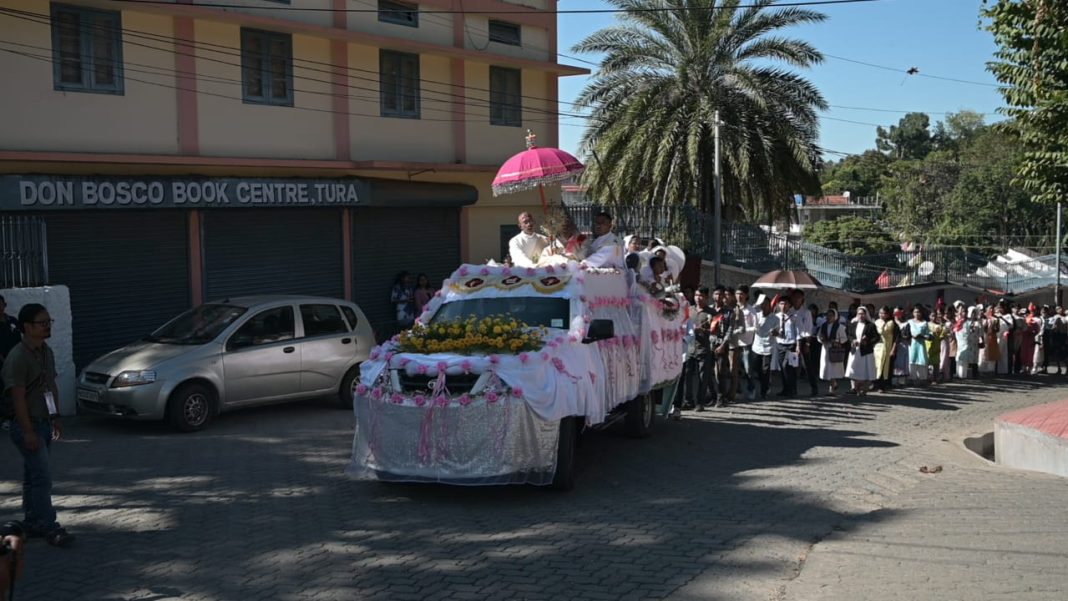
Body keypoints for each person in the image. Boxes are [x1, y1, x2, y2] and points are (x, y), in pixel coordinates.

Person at [3, 303, 74, 547]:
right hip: (26, 425)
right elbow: (18, 397)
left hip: (43, 423)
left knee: (32, 476)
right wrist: (28, 431)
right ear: (26, 327)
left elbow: (50, 387)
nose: (47, 327)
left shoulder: (46, 352)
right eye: (42, 323)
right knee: (42, 478)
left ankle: (32, 521)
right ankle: (49, 525)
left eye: (48, 322)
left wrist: (55, 417)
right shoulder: (17, 357)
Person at [689, 287, 718, 411]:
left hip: (704, 349)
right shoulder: (689, 310)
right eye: (696, 295)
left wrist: (704, 331)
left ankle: (700, 402)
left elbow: (716, 332)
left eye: (701, 296)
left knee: (703, 377)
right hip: (689, 348)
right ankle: (687, 400)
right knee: (687, 375)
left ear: (706, 297)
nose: (698, 298)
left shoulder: (712, 313)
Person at [750, 293, 779, 400]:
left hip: (768, 347)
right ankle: (766, 384)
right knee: (757, 369)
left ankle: (764, 391)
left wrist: (774, 332)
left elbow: (778, 333)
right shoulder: (757, 315)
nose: (764, 306)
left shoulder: (776, 319)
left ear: (770, 305)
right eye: (762, 304)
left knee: (765, 370)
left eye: (766, 304)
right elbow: (751, 312)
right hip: (756, 347)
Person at [846, 306, 879, 395]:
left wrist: (867, 341)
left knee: (865, 370)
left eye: (863, 314)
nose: (861, 315)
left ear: (866, 314)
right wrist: (853, 340)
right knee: (853, 369)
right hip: (855, 350)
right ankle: (854, 388)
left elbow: (876, 337)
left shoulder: (870, 325)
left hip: (866, 351)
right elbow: (849, 335)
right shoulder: (853, 324)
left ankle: (864, 389)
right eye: (859, 313)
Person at [817, 308, 848, 395]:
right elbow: (818, 336)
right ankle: (834, 384)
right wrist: (821, 339)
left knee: (833, 368)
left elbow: (844, 339)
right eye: (828, 315)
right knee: (827, 368)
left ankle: (832, 388)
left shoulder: (840, 327)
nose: (829, 317)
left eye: (831, 315)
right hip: (826, 348)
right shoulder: (823, 326)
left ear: (835, 317)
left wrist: (837, 342)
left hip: (835, 349)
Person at [775, 296, 801, 397]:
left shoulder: (794, 317)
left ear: (789, 305)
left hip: (791, 344)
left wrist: (798, 345)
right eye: (781, 304)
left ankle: (792, 388)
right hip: (780, 343)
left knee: (788, 366)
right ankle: (786, 388)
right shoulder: (776, 317)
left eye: (785, 304)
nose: (783, 306)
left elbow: (798, 332)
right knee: (782, 368)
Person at [873, 306, 898, 391]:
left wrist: (893, 349)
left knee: (885, 366)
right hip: (878, 347)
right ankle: (875, 383)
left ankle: (883, 385)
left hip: (888, 347)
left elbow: (896, 337)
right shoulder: (876, 322)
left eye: (883, 313)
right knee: (877, 365)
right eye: (880, 313)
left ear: (887, 314)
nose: (881, 315)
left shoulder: (892, 323)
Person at [907, 305, 932, 384]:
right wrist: (911, 336)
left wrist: (922, 336)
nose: (917, 314)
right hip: (912, 344)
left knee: (921, 359)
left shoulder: (924, 323)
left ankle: (922, 378)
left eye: (918, 312)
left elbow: (928, 335)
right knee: (912, 360)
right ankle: (912, 378)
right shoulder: (909, 322)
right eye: (915, 312)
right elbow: (906, 333)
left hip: (921, 344)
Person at [955, 306, 982, 379]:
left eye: (965, 312)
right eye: (963, 312)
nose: (964, 313)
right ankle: (958, 374)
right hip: (960, 341)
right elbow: (955, 329)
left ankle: (963, 375)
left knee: (965, 358)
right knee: (959, 357)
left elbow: (973, 331)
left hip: (967, 341)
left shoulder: (969, 322)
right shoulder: (959, 320)